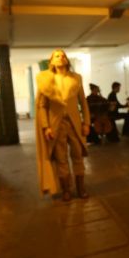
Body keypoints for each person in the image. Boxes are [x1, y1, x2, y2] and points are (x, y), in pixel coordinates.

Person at [35, 49, 91, 201]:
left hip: (75, 124)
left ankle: (81, 188)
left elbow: (83, 102)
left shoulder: (76, 78)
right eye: (57, 56)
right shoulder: (45, 81)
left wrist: (86, 123)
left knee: (78, 156)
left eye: (63, 55)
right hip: (56, 125)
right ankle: (66, 190)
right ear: (51, 61)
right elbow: (42, 106)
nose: (60, 57)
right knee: (61, 158)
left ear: (67, 60)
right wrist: (46, 127)